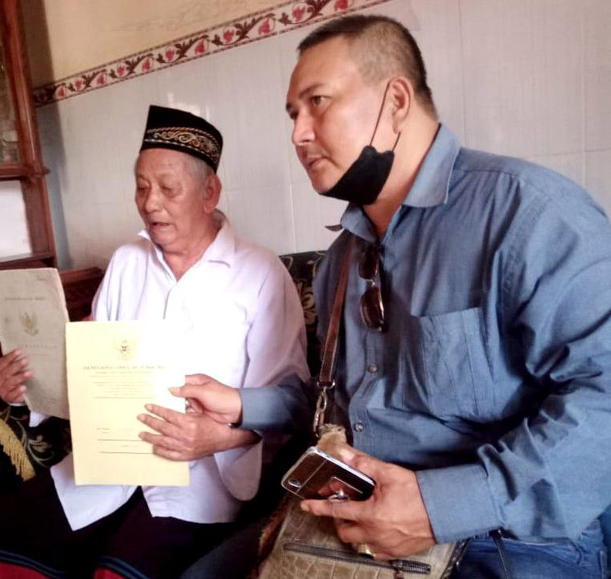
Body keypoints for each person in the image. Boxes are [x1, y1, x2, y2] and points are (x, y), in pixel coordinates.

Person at [176, 15, 611, 579]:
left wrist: (439, 506)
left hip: (509, 535)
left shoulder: (528, 215)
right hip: (357, 521)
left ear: (397, 101)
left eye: (317, 102)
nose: (298, 134)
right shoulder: (341, 262)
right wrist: (243, 405)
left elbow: (602, 396)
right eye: (292, 114)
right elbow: (346, 405)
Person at [0, 105, 309, 578]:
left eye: (168, 188)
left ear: (209, 192)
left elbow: (293, 400)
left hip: (203, 476)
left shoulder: (260, 273)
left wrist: (219, 437)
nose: (150, 203)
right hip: (112, 461)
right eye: (141, 188)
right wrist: (24, 386)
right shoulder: (127, 262)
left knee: (119, 573)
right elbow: (89, 370)